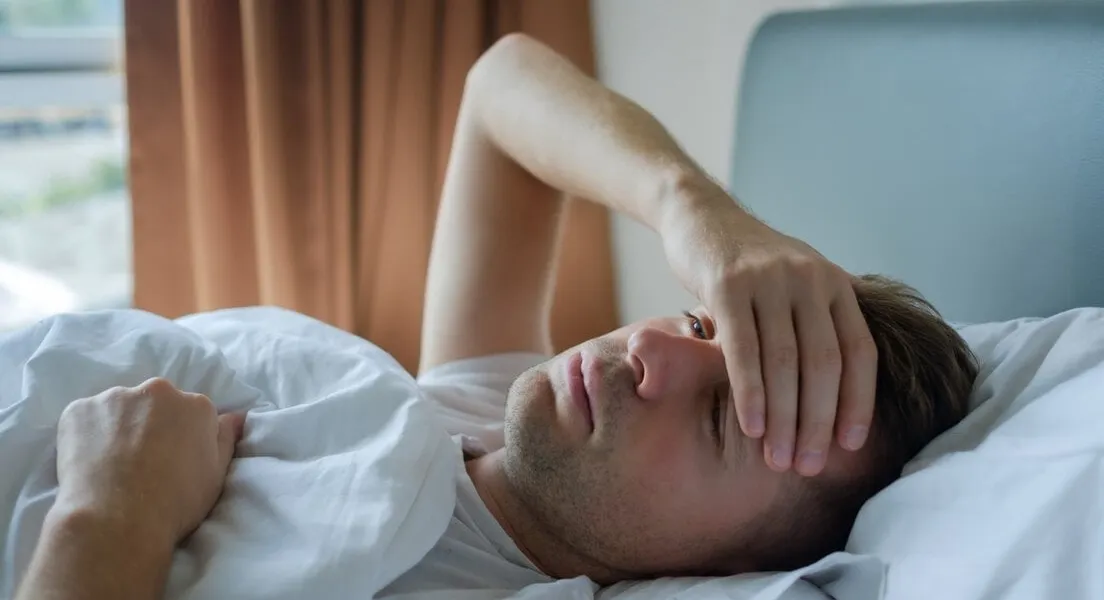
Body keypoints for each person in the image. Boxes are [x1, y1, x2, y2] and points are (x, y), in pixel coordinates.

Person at [15, 34, 978, 599]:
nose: (646, 350)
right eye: (696, 325)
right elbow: (500, 88)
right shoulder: (482, 419)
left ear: (735, 570)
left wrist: (114, 511)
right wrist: (698, 211)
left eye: (725, 416)